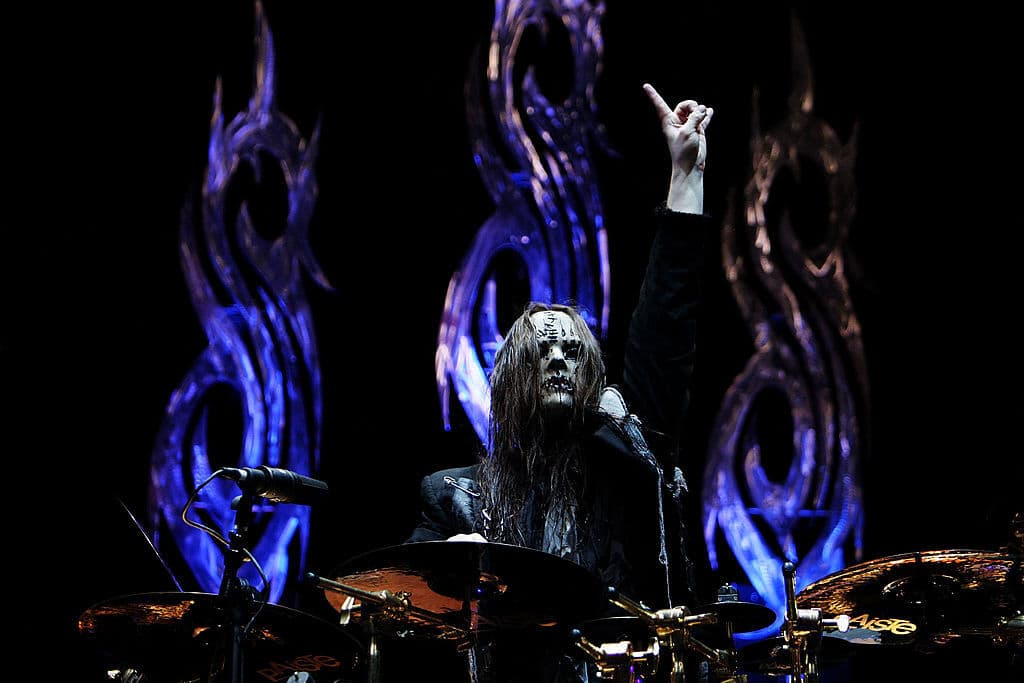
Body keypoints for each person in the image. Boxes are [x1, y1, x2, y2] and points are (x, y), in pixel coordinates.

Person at [405, 83, 715, 682]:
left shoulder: (624, 467)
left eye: (572, 350)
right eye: (542, 349)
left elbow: (665, 337)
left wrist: (685, 179)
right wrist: (443, 570)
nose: (558, 358)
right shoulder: (453, 497)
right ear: (510, 380)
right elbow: (400, 607)